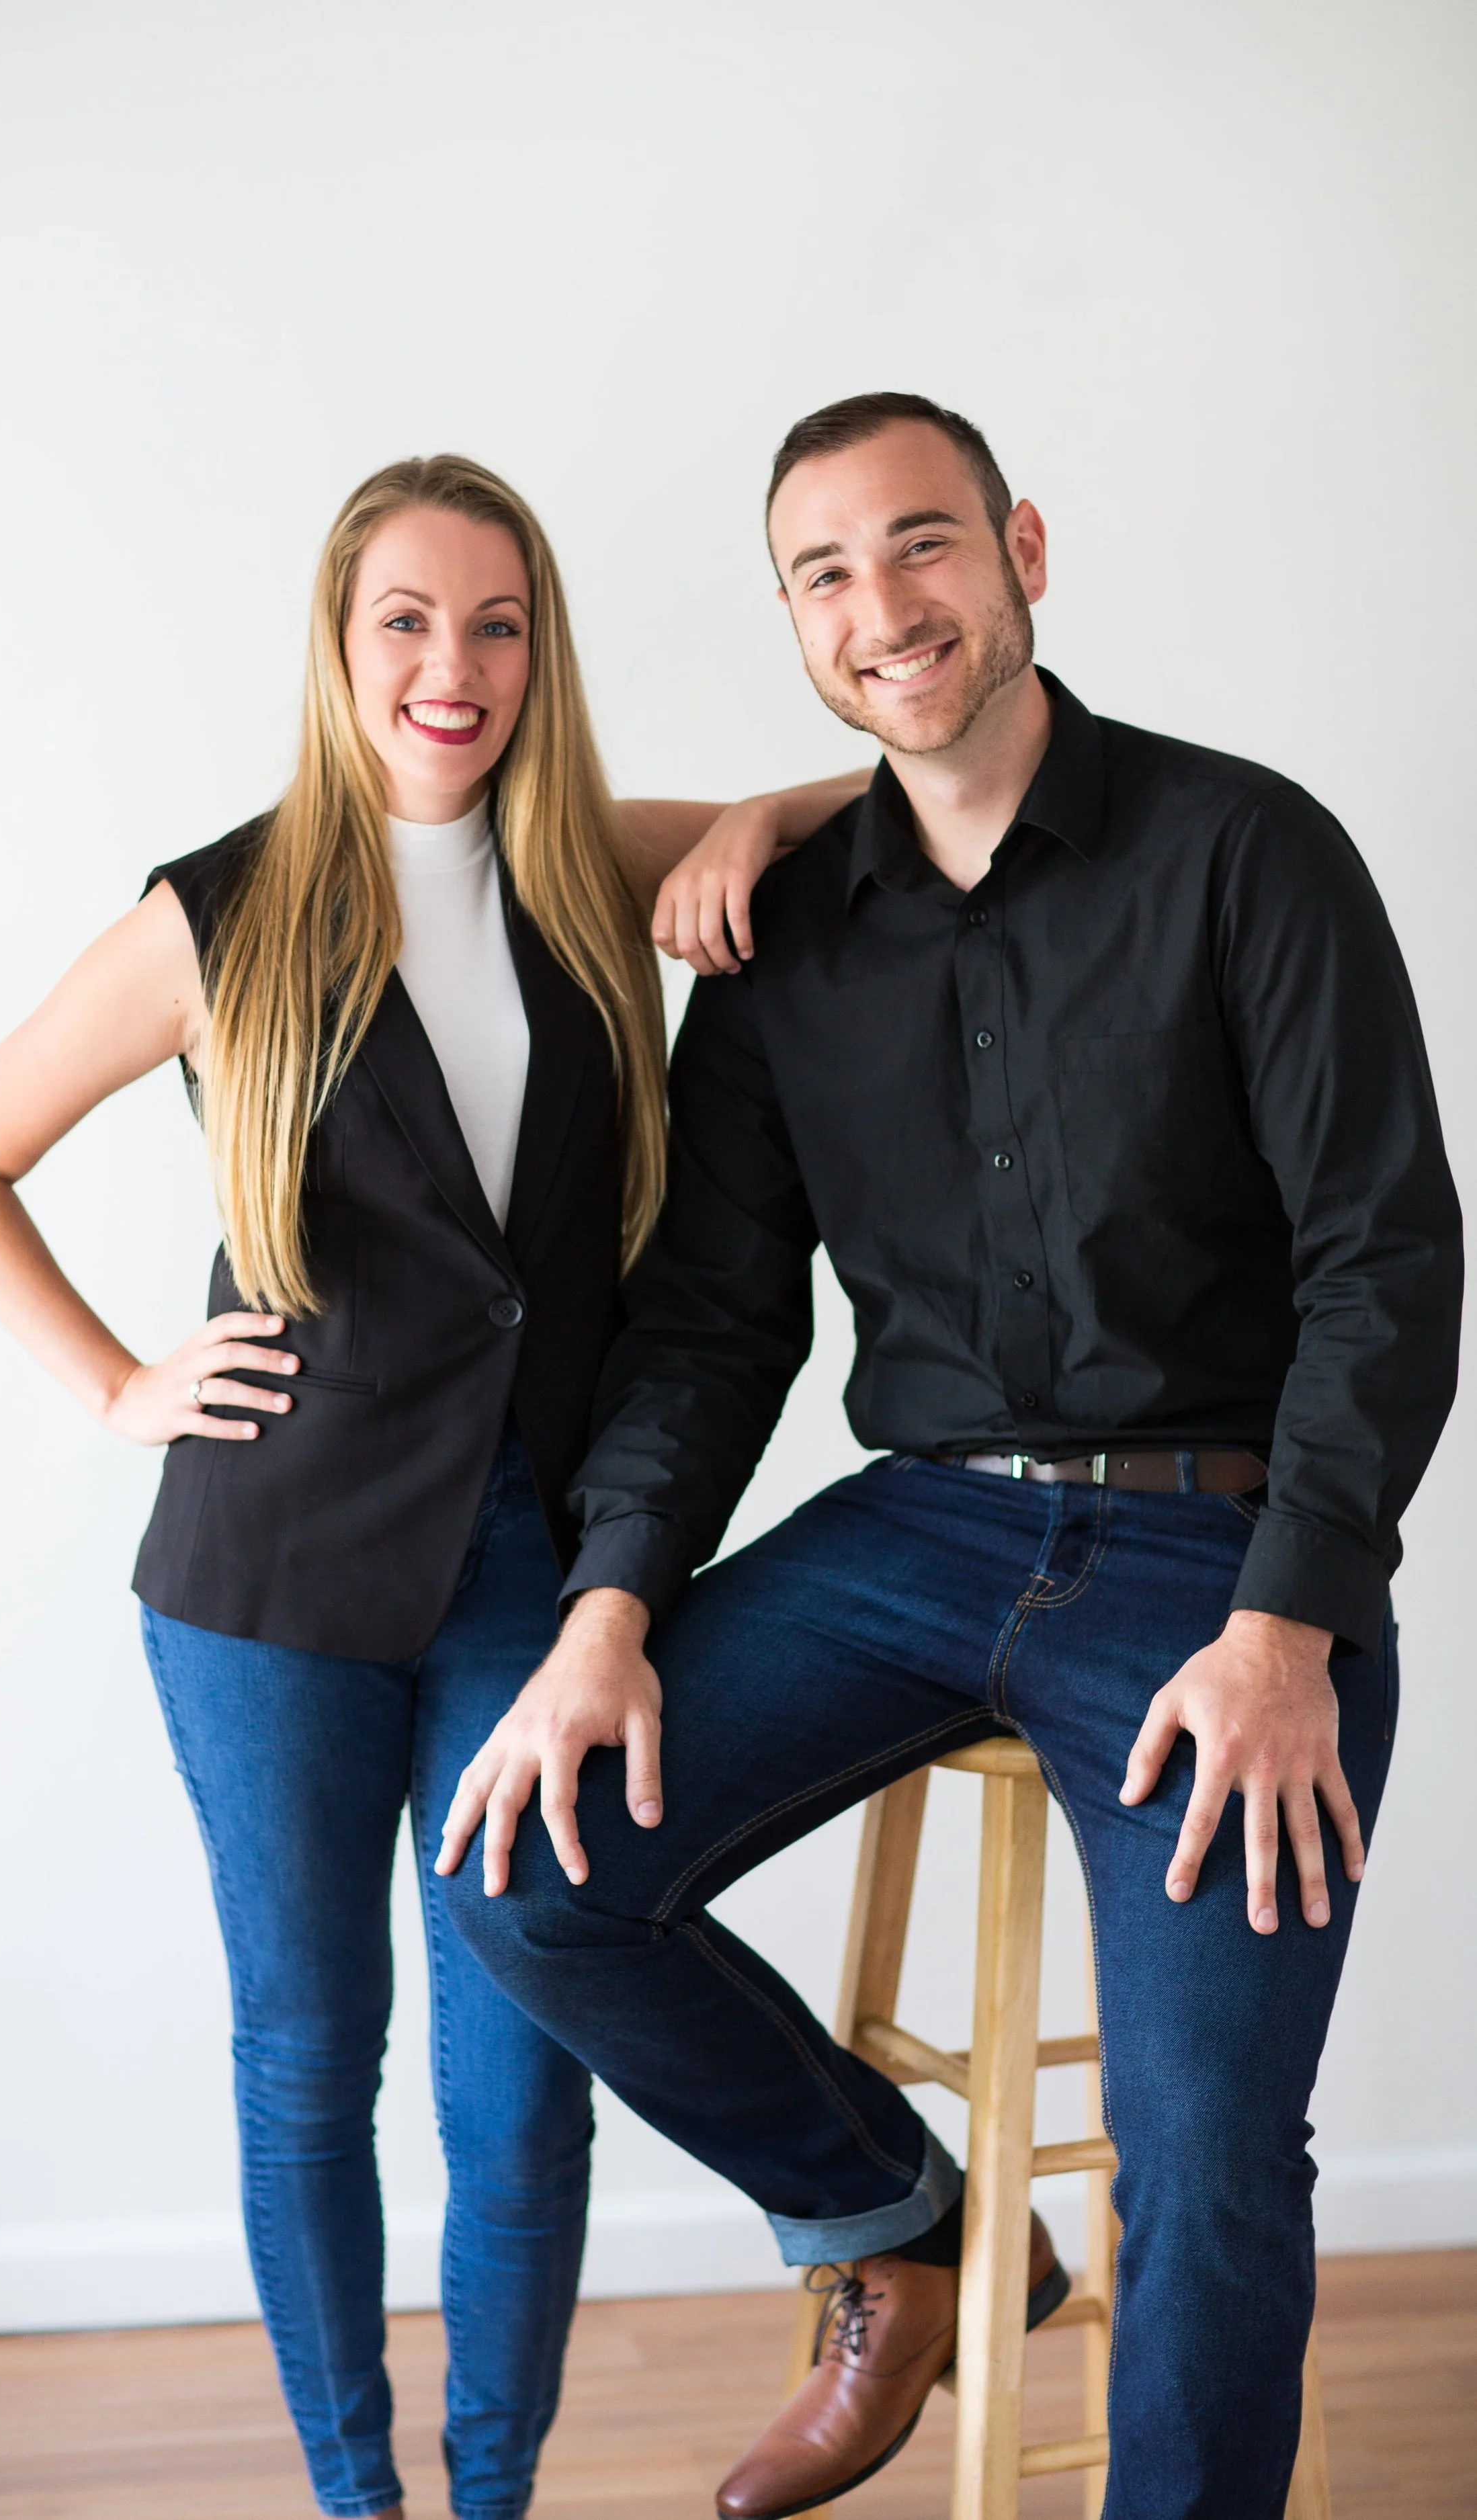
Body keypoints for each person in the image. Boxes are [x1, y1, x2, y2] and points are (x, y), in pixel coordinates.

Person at [435, 394, 1464, 2520]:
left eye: (920, 543)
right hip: (915, 1532)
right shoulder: (784, 930)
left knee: (1207, 2138)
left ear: (1021, 553)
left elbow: (1385, 1258)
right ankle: (907, 2228)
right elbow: (715, 1322)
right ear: (792, 621)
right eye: (823, 572)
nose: (881, 605)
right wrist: (605, 1612)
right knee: (525, 1872)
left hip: (1217, 1563)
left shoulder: (1242, 850)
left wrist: (1289, 1621)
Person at [0, 452, 865, 2520]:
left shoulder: (583, 858)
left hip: (530, 1563)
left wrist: (749, 824)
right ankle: (359, 2499)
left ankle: (490, 2499)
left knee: (520, 2083)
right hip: (268, 1571)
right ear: (339, 644)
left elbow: (857, 802)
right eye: (408, 620)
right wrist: (115, 1384)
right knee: (308, 2053)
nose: (456, 664)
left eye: (498, 624)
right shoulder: (216, 913)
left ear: (538, 653)